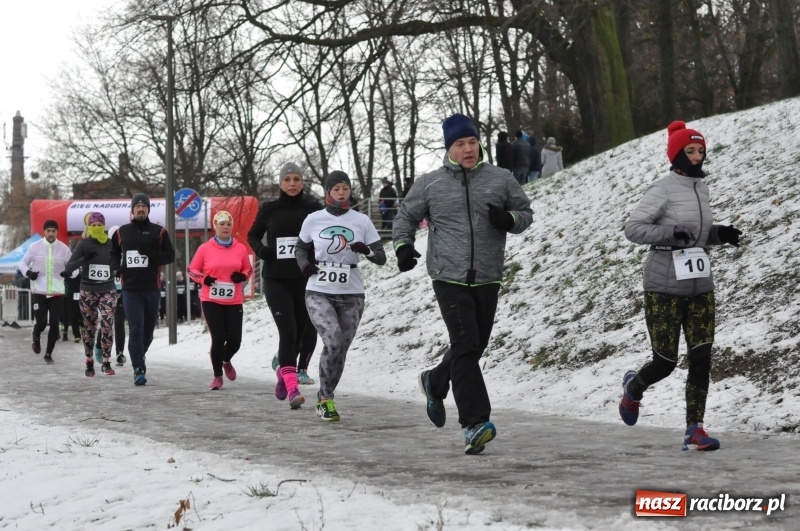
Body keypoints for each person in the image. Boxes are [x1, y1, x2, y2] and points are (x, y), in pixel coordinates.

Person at [393, 113, 533, 455]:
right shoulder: (431, 183)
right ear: (449, 149)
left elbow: (525, 213)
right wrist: (403, 246)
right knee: (467, 343)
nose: (468, 149)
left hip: (487, 276)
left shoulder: (500, 179)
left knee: (472, 346)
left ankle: (435, 381)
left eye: (472, 142)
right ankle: (474, 423)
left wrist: (508, 219)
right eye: (460, 144)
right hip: (448, 275)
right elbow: (406, 216)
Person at [619, 120, 744, 452]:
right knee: (665, 360)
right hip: (664, 286)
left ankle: (694, 429)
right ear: (676, 154)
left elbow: (696, 234)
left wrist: (719, 234)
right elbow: (633, 229)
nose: (697, 156)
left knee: (702, 357)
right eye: (690, 151)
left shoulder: (702, 188)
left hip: (701, 286)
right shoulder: (662, 189)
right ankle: (634, 388)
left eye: (701, 150)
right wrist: (669, 233)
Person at [295, 170, 386, 420]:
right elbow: (300, 248)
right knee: (333, 340)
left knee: (340, 349)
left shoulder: (362, 221)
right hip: (318, 290)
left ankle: (326, 396)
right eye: (336, 189)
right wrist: (304, 265)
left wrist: (366, 250)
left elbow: (381, 257)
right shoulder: (314, 219)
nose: (342, 193)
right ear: (328, 193)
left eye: (345, 188)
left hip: (352, 293)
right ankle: (326, 399)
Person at [247, 162, 323, 401]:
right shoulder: (270, 208)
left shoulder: (313, 208)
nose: (292, 184)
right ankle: (292, 388)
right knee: (287, 331)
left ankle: (284, 372)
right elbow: (253, 234)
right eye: (287, 179)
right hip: (276, 278)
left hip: (305, 278)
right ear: (280, 182)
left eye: (296, 179)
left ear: (302, 182)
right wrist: (261, 250)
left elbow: (326, 233)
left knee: (301, 334)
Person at [110, 193, 176, 386]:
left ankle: (140, 355)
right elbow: (113, 253)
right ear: (132, 210)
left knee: (148, 332)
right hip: (130, 288)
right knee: (136, 328)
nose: (140, 209)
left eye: (144, 207)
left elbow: (170, 255)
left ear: (148, 210)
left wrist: (153, 255)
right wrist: (115, 268)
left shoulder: (159, 232)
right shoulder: (122, 232)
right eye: (137, 206)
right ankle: (138, 368)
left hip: (152, 288)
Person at [189, 210, 253, 390]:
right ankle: (217, 376)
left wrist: (242, 276)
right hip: (211, 299)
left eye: (229, 224)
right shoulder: (205, 248)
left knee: (235, 340)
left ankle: (226, 360)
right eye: (222, 223)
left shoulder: (240, 248)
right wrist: (203, 279)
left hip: (233, 300)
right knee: (218, 338)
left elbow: (248, 270)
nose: (225, 227)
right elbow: (192, 270)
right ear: (215, 226)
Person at [64, 212, 118, 377]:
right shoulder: (84, 244)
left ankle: (107, 361)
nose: (96, 228)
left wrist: (118, 268)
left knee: (107, 323)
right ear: (88, 227)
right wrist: (83, 260)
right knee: (89, 327)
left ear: (104, 226)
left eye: (99, 225)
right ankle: (89, 359)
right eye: (93, 225)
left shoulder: (111, 244)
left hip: (108, 288)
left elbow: (119, 261)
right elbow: (69, 267)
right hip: (88, 290)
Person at [18, 220, 74, 364]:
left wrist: (69, 274)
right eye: (48, 231)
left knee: (55, 323)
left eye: (53, 231)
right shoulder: (34, 247)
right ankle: (36, 336)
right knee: (42, 322)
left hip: (57, 292)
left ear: (57, 232)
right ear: (44, 232)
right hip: (39, 291)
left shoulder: (64, 249)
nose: (50, 233)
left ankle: (48, 353)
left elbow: (74, 268)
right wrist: (29, 273)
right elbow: (22, 263)